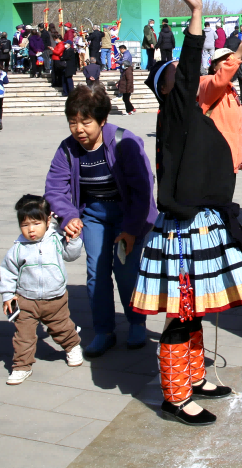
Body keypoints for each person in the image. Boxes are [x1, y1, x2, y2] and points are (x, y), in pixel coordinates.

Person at [130, 0, 242, 426]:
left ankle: (196, 377)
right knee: (181, 312)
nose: (183, 74)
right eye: (173, 73)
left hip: (205, 219)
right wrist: (197, 14)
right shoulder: (174, 114)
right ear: (165, 88)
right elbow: (190, 66)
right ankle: (175, 396)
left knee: (195, 308)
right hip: (183, 228)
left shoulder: (192, 116)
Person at [44, 83, 157, 358]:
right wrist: (69, 216)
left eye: (86, 122)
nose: (79, 129)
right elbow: (55, 188)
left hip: (128, 215)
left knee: (126, 270)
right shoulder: (68, 149)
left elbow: (142, 189)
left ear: (102, 119)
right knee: (96, 272)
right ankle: (104, 330)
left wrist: (131, 230)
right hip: (94, 216)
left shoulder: (124, 142)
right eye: (73, 122)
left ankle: (137, 322)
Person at [0, 195, 85, 384]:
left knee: (61, 328)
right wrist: (7, 295)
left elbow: (71, 256)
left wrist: (74, 240)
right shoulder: (17, 248)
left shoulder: (56, 239)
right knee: (24, 337)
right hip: (26, 300)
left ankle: (72, 345)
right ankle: (21, 366)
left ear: (48, 220)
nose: (31, 230)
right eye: (25, 225)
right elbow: (8, 272)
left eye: (36, 223)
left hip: (55, 298)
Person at [198, 43, 242, 172]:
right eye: (225, 60)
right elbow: (219, 81)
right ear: (213, 66)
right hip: (213, 158)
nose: (230, 62)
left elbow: (237, 127)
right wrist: (237, 56)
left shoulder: (231, 90)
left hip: (230, 158)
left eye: (231, 58)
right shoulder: (208, 83)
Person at [115, 46, 135, 114]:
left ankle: (129, 111)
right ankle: (131, 109)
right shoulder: (126, 70)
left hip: (127, 88)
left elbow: (130, 80)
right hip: (125, 87)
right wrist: (118, 82)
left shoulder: (128, 71)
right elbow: (123, 78)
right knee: (125, 99)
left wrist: (128, 89)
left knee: (125, 99)